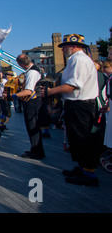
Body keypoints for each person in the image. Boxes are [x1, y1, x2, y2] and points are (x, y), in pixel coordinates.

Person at [42, 34, 99, 186]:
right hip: (75, 104)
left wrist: (49, 92)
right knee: (76, 139)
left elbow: (73, 85)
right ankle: (82, 168)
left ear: (74, 46)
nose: (63, 49)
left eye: (65, 46)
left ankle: (89, 174)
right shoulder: (75, 60)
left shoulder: (79, 60)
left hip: (80, 105)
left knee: (82, 138)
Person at [14, 54, 46, 159]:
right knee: (33, 126)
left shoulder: (32, 72)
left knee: (32, 127)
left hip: (32, 102)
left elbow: (28, 91)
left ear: (22, 64)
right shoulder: (36, 70)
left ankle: (37, 152)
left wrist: (12, 96)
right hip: (35, 102)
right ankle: (35, 149)